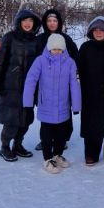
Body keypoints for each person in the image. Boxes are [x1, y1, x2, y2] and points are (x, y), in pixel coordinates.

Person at [23, 33, 81, 174]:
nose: (57, 51)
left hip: (63, 106)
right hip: (46, 106)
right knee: (47, 134)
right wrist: (28, 101)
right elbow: (31, 80)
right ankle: (48, 159)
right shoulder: (40, 61)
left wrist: (76, 105)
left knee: (62, 134)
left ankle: (57, 155)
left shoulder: (70, 63)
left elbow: (74, 84)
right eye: (54, 49)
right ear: (49, 48)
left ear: (64, 49)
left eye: (60, 49)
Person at [0, 9, 41, 162]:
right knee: (11, 120)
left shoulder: (35, 41)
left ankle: (18, 145)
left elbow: (39, 65)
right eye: (24, 20)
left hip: (29, 88)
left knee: (25, 119)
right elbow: (0, 63)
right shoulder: (9, 38)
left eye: (30, 21)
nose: (27, 24)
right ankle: (5, 147)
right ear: (19, 22)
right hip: (10, 87)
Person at [35, 8, 79, 151]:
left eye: (55, 20)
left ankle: (62, 139)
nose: (52, 23)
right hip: (45, 85)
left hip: (63, 85)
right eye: (49, 20)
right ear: (45, 22)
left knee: (64, 112)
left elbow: (76, 57)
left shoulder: (66, 39)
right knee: (46, 113)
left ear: (59, 22)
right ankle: (45, 140)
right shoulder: (40, 39)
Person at [78, 16, 104, 166]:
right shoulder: (85, 48)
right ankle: (91, 153)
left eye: (102, 29)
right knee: (91, 124)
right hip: (90, 92)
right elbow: (78, 70)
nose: (99, 32)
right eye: (95, 29)